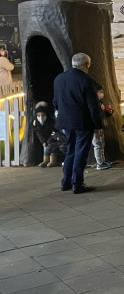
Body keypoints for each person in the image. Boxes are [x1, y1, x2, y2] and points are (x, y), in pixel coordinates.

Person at [53, 53, 102, 194]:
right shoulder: (87, 81)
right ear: (87, 64)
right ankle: (77, 183)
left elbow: (55, 102)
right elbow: (93, 107)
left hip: (66, 121)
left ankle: (66, 181)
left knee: (71, 150)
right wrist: (98, 125)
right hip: (83, 122)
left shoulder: (59, 79)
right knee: (80, 152)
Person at [33, 101, 66, 167]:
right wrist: (43, 141)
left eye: (42, 115)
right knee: (46, 146)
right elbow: (38, 132)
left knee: (51, 147)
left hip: (54, 137)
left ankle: (52, 161)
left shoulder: (51, 121)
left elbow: (54, 131)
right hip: (46, 138)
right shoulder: (36, 123)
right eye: (38, 115)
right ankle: (45, 160)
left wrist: (50, 139)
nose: (40, 117)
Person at [92, 86, 114, 170]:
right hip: (96, 126)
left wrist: (109, 111)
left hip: (100, 125)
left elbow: (104, 114)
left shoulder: (100, 103)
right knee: (98, 144)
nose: (102, 94)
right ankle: (100, 163)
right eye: (100, 92)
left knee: (101, 144)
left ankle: (102, 161)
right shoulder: (94, 103)